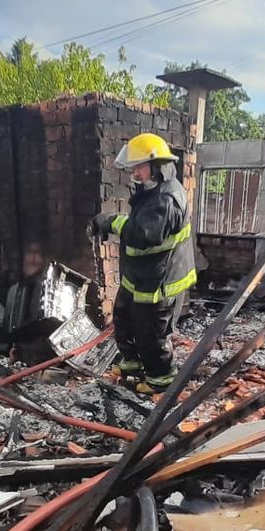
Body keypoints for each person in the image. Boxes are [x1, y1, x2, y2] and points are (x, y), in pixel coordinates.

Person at [88, 132, 196, 395]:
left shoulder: (167, 199)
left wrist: (110, 222)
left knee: (151, 332)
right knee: (124, 318)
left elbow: (143, 234)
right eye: (133, 168)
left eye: (139, 167)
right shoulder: (154, 191)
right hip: (140, 277)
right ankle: (132, 362)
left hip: (160, 282)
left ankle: (161, 378)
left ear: (156, 165)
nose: (135, 173)